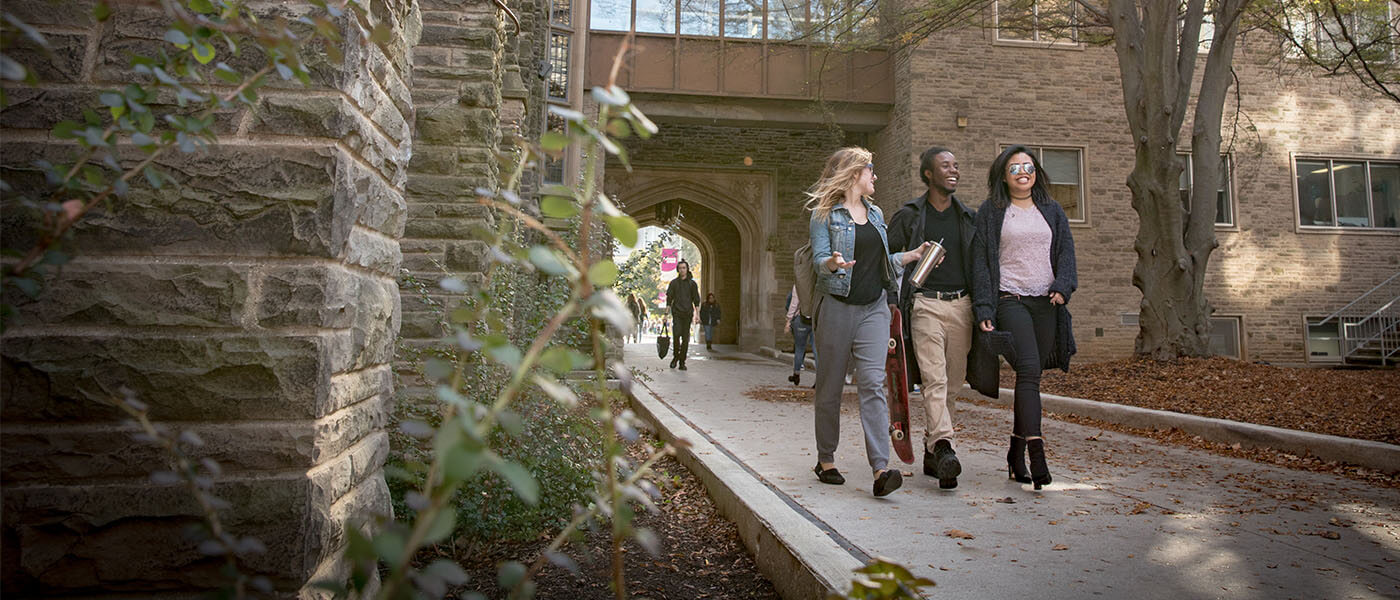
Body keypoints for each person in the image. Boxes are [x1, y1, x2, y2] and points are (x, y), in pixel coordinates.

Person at [807, 146, 930, 498]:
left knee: (874, 384)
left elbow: (880, 261)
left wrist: (909, 256)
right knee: (829, 387)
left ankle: (881, 467)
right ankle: (826, 458)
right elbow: (819, 260)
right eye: (870, 170)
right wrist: (833, 262)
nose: (874, 176)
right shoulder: (824, 215)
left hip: (874, 307)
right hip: (837, 306)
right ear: (853, 174)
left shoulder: (876, 214)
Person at [971, 145, 1078, 491]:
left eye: (1028, 167)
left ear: (1036, 173)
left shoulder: (1052, 210)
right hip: (1010, 300)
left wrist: (1063, 287)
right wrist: (985, 308)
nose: (1022, 172)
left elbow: (1066, 252)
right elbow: (981, 265)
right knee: (1029, 369)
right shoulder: (991, 212)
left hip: (1045, 303)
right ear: (1003, 174)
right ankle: (1037, 453)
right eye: (1014, 167)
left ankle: (1015, 456)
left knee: (1029, 377)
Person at [887, 146, 975, 490]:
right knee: (934, 381)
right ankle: (945, 446)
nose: (953, 170)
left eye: (956, 165)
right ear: (928, 174)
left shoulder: (967, 217)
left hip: (962, 306)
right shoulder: (909, 216)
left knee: (952, 385)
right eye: (945, 166)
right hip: (924, 304)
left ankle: (931, 450)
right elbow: (888, 257)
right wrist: (893, 303)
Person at [665, 259, 700, 370]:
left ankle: (682, 361)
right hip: (677, 313)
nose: (682, 270)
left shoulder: (692, 284)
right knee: (676, 336)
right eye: (680, 268)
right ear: (678, 270)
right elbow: (669, 300)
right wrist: (665, 315)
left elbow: (696, 300)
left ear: (687, 269)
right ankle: (675, 357)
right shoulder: (674, 283)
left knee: (685, 338)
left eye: (684, 268)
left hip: (688, 313)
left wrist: (697, 315)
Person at [783, 285, 817, 385]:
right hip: (815, 320)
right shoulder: (819, 282)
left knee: (799, 347)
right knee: (817, 350)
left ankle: (796, 374)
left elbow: (794, 303)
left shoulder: (799, 284)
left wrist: (788, 321)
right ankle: (819, 378)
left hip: (801, 320)